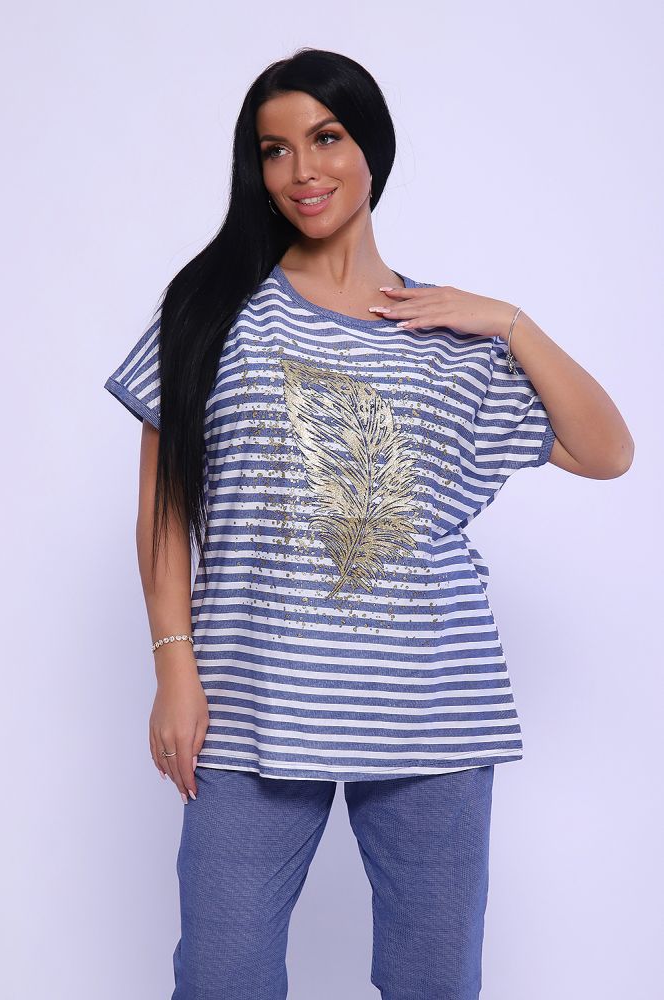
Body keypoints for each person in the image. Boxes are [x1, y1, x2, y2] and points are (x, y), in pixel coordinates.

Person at [103, 47, 634, 1000]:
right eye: (274, 150)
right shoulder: (212, 311)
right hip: (253, 699)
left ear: (370, 150)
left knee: (434, 982)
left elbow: (606, 451)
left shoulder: (445, 334)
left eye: (326, 138)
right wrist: (174, 669)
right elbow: (164, 508)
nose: (301, 170)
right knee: (222, 975)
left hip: (432, 702)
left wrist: (510, 322)